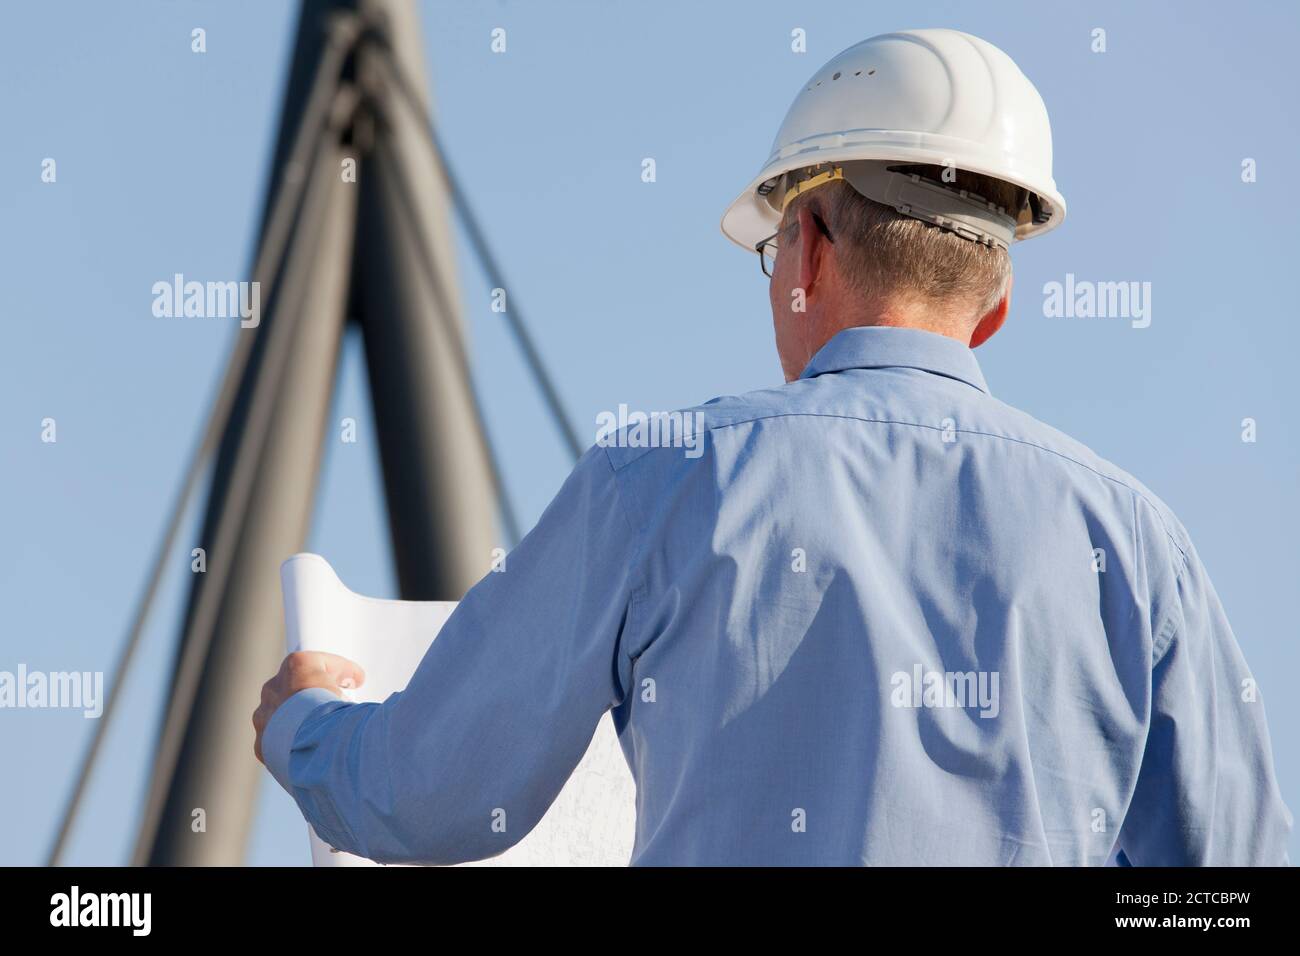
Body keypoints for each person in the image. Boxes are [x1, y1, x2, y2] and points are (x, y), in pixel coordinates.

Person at [253, 29, 1291, 865]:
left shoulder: (659, 477)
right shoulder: (1140, 547)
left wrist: (309, 725)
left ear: (808, 249)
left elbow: (432, 795)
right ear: (995, 305)